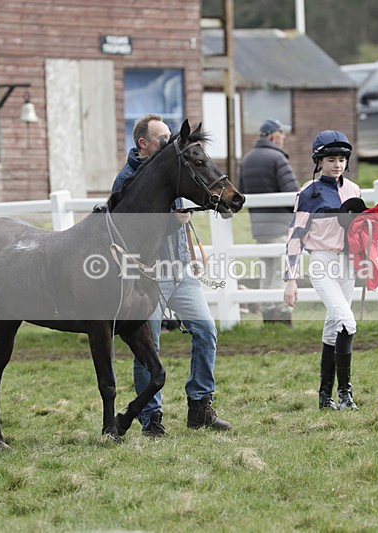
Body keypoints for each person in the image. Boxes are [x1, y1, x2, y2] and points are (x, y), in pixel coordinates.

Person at [112, 113, 231, 437]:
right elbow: (127, 232)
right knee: (148, 348)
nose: (171, 142)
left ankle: (200, 405)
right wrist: (168, 223)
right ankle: (151, 418)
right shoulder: (126, 181)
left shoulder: (175, 166)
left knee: (206, 329)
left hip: (179, 270)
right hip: (145, 275)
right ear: (144, 143)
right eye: (163, 138)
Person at [283, 130, 364, 411]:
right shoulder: (308, 193)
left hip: (347, 264)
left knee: (333, 331)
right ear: (319, 161)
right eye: (331, 159)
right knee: (348, 323)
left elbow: (359, 230)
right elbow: (295, 236)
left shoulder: (353, 190)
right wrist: (290, 280)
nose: (337, 164)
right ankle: (345, 395)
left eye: (342, 159)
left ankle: (324, 398)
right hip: (321, 262)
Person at [238, 118, 299, 325]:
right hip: (280, 225)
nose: (283, 139)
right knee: (280, 272)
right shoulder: (278, 158)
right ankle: (281, 317)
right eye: (282, 135)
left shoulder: (246, 159)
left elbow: (240, 193)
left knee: (266, 273)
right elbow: (292, 194)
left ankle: (268, 318)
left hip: (259, 228)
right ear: (273, 136)